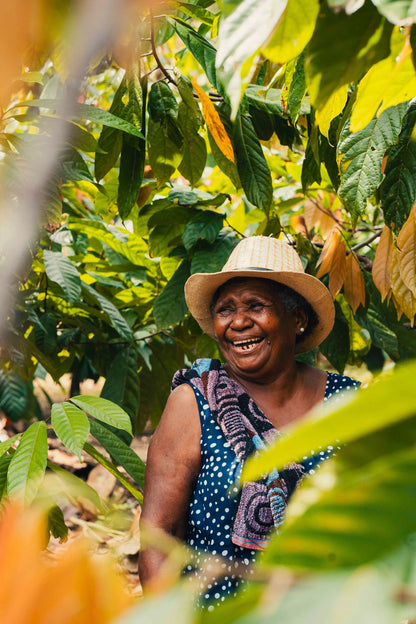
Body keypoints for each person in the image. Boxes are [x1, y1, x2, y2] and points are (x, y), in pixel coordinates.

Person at [139, 236, 359, 608]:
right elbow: (160, 532)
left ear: (297, 318)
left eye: (256, 306)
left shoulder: (347, 402)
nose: (239, 322)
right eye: (225, 310)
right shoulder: (195, 403)